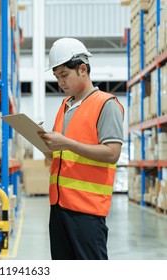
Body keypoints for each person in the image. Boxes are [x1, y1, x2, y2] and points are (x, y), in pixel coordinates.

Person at [39, 38, 124, 260]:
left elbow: (112, 154)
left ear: (82, 69)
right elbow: (63, 152)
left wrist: (66, 143)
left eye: (64, 75)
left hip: (87, 211)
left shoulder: (106, 104)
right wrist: (47, 146)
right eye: (56, 77)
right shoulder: (65, 106)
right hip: (58, 206)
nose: (60, 82)